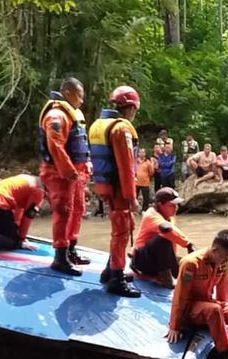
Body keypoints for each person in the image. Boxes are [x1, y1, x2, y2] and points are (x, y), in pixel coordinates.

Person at [167, 229, 228, 359]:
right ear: (215, 249)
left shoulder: (223, 264)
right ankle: (226, 356)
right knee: (214, 309)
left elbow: (223, 292)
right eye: (224, 256)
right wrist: (175, 326)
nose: (226, 261)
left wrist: (225, 315)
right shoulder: (190, 263)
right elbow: (180, 295)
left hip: (208, 304)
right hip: (190, 308)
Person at [89, 85, 142, 298]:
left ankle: (110, 269)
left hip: (105, 186)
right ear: (129, 108)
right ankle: (117, 278)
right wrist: (132, 198)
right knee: (122, 232)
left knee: (118, 229)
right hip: (119, 189)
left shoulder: (98, 125)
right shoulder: (121, 129)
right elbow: (126, 167)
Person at [38, 77, 91, 276]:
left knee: (78, 209)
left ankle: (71, 249)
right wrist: (68, 172)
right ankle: (60, 256)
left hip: (75, 173)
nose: (82, 100)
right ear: (68, 93)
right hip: (59, 173)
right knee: (64, 211)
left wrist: (84, 169)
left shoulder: (72, 114)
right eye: (80, 96)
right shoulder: (56, 116)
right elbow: (56, 146)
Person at [131, 187, 196, 288]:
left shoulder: (169, 216)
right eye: (172, 205)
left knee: (187, 264)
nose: (176, 208)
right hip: (142, 260)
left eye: (176, 205)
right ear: (160, 204)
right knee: (163, 239)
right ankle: (166, 280)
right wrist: (188, 244)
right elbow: (167, 230)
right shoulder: (151, 215)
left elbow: (173, 240)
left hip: (157, 259)